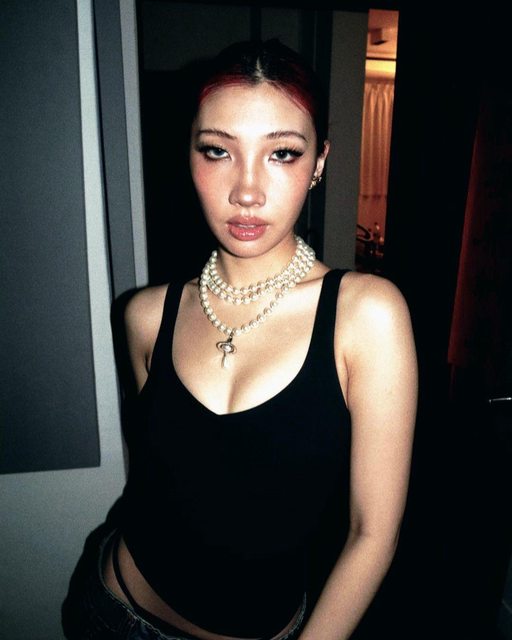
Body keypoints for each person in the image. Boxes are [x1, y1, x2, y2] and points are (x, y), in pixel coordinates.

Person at [62, 38, 417, 640]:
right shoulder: (145, 316)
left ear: (319, 162)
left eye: (282, 153)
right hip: (109, 608)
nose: (246, 191)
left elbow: (373, 534)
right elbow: (162, 484)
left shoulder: (366, 315)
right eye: (217, 151)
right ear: (188, 154)